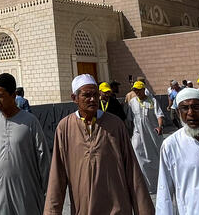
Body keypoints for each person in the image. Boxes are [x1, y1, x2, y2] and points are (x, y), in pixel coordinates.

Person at [45, 74, 154, 215]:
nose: (92, 99)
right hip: (83, 209)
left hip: (118, 208)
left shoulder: (115, 125)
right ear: (74, 98)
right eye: (87, 95)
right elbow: (57, 175)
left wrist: (144, 210)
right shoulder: (65, 127)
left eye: (95, 95)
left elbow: (132, 170)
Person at [0, 73, 49, 215]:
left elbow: (43, 159)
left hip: (26, 195)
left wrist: (47, 193)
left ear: (13, 95)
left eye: (0, 95)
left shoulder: (30, 122)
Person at [125, 80, 163, 191]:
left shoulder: (152, 101)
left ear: (143, 90)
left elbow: (159, 115)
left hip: (152, 133)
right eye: (134, 90)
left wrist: (160, 126)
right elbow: (130, 119)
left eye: (138, 90)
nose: (136, 92)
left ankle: (157, 183)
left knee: (154, 156)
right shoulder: (132, 102)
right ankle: (143, 184)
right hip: (138, 133)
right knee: (137, 151)